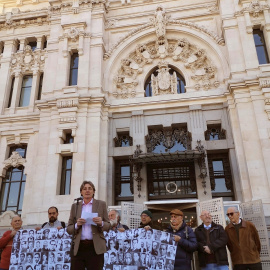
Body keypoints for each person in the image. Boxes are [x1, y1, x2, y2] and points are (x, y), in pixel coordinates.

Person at [67, 180, 111, 270]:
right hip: (79, 247)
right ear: (81, 192)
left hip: (95, 248)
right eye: (84, 189)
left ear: (94, 191)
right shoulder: (75, 206)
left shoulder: (101, 204)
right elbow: (69, 229)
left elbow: (108, 226)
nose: (87, 191)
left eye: (90, 189)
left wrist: (101, 223)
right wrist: (77, 225)